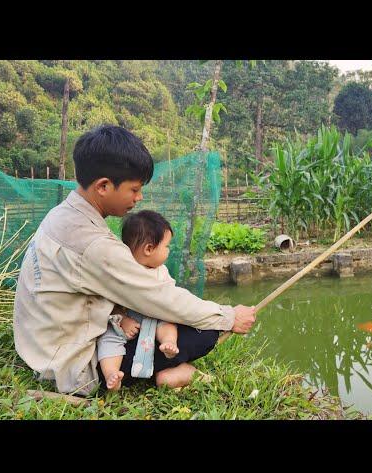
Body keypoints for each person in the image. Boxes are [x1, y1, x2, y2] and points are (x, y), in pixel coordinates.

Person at [14, 124, 256, 395]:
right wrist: (228, 316)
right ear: (103, 186)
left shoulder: (62, 215)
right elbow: (158, 297)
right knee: (203, 332)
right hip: (69, 365)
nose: (139, 198)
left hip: (38, 345)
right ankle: (162, 375)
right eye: (134, 189)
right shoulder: (94, 245)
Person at [97, 210, 185, 390]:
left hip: (154, 315)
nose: (168, 251)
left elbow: (171, 297)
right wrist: (123, 320)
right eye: (166, 246)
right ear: (149, 249)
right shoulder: (121, 270)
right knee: (108, 338)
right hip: (126, 318)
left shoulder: (161, 272)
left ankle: (169, 343)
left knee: (167, 323)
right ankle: (112, 374)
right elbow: (108, 303)